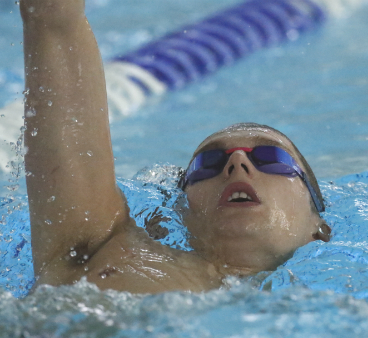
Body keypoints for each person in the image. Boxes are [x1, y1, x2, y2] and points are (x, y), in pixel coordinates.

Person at [20, 0, 330, 294]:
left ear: (320, 229)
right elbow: (52, 17)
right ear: (171, 218)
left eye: (270, 157)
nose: (236, 162)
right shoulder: (101, 248)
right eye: (207, 163)